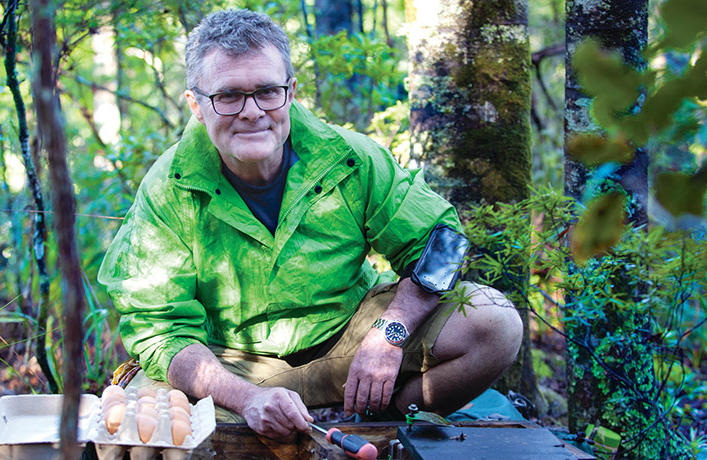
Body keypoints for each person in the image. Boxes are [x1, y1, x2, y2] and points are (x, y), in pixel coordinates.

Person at [98, 9, 523, 440]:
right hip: (233, 366)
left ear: (291, 91)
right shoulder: (168, 188)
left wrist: (389, 335)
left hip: (350, 344)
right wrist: (246, 399)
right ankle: (267, 428)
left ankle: (380, 423)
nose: (251, 112)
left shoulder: (349, 157)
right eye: (228, 96)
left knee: (494, 321)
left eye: (267, 91)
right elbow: (161, 332)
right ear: (197, 105)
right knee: (147, 411)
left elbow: (442, 244)